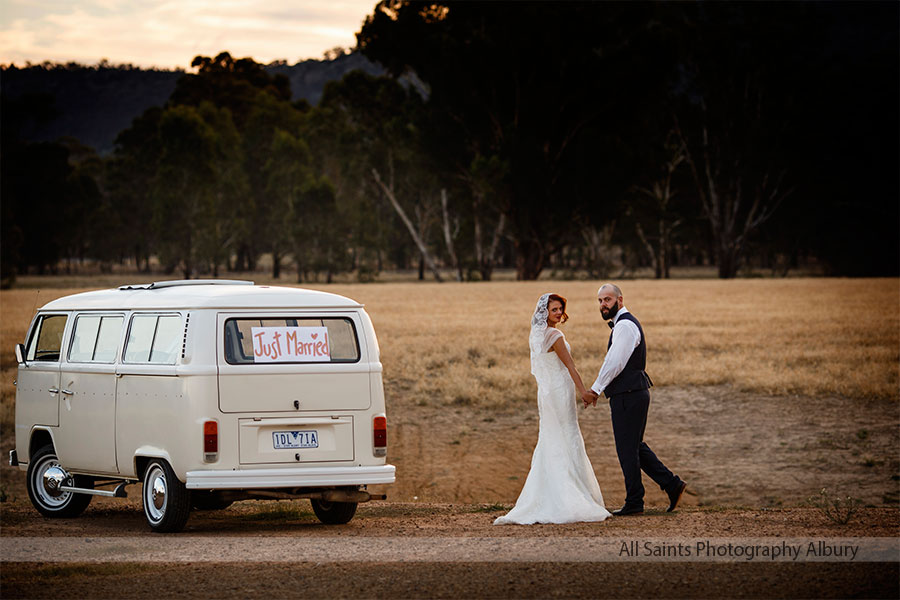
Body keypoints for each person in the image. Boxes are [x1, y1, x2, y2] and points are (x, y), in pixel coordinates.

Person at [494, 293, 611, 525]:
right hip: (560, 390)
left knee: (551, 437)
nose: (558, 313)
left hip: (547, 393)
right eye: (554, 309)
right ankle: (571, 496)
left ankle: (547, 494)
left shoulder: (537, 336)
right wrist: (584, 392)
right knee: (567, 434)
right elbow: (570, 366)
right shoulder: (554, 335)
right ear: (544, 312)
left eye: (560, 309)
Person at [582, 283, 686, 516]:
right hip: (632, 393)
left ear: (620, 300)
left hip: (629, 395)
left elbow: (615, 362)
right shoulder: (621, 324)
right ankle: (672, 484)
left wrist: (596, 389)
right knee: (634, 447)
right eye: (599, 301)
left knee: (626, 449)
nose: (603, 305)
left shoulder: (626, 325)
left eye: (607, 300)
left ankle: (635, 502)